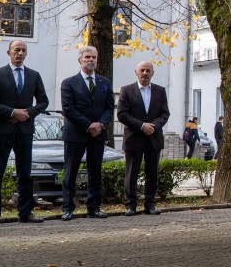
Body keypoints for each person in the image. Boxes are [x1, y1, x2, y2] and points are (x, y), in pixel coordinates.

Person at [60, 46, 114, 221]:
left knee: (95, 172)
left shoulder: (105, 82)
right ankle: (67, 208)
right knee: (70, 172)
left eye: (94, 57)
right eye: (87, 57)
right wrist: (88, 125)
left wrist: (101, 124)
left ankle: (94, 207)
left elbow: (109, 107)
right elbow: (68, 109)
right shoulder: (68, 83)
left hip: (97, 134)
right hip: (76, 133)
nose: (91, 60)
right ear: (80, 60)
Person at [0, 41, 49, 223]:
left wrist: (27, 113)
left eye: (23, 50)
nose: (20, 53)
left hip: (25, 130)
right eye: (16, 50)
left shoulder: (34, 76)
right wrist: (12, 112)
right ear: (8, 52)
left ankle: (25, 213)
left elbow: (43, 101)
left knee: (25, 173)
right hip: (2, 130)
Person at [116, 61, 170, 216]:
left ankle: (150, 204)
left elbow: (165, 113)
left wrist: (153, 126)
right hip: (134, 137)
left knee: (152, 173)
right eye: (142, 70)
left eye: (148, 70)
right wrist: (141, 126)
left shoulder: (160, 91)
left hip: (154, 137)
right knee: (131, 173)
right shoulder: (126, 90)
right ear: (136, 72)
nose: (145, 73)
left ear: (152, 73)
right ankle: (130, 205)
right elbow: (122, 114)